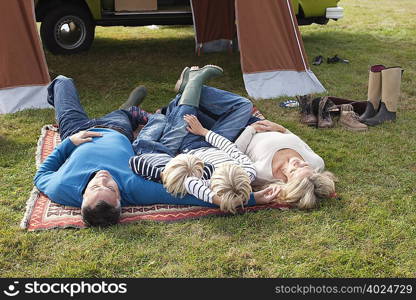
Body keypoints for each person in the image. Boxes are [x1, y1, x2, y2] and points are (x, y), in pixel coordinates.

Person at [34, 75, 277, 227]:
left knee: (62, 81)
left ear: (82, 198)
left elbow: (42, 174)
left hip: (75, 131)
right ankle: (130, 108)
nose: (104, 180)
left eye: (97, 188)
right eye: (110, 188)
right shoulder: (135, 189)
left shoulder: (61, 189)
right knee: (128, 117)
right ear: (120, 200)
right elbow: (186, 193)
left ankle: (131, 107)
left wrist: (69, 143)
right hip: (119, 129)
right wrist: (253, 198)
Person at [234, 120, 336, 209]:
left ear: (286, 182)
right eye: (305, 165)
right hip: (267, 125)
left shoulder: (261, 173)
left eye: (293, 171)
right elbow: (300, 143)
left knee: (244, 105)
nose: (297, 162)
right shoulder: (317, 163)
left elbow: (233, 152)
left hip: (240, 130)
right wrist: (282, 129)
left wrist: (251, 129)